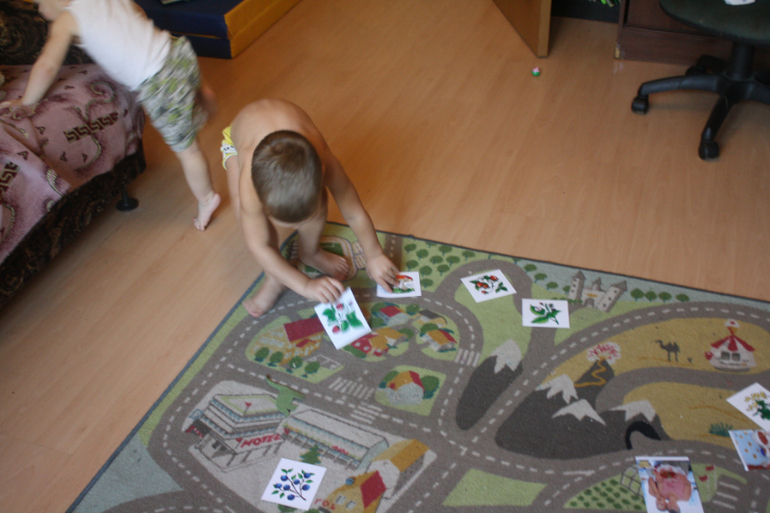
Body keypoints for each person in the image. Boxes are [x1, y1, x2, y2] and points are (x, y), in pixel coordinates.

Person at [1, 0, 220, 230]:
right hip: (175, 50)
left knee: (188, 151)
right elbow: (137, 11)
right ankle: (203, 94)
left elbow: (47, 66)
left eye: (39, 3)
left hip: (158, 81)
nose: (39, 11)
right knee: (188, 81)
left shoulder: (67, 20)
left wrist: (26, 101)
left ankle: (207, 198)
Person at [222, 99, 398, 317]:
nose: (298, 227)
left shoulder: (324, 160)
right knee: (245, 213)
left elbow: (353, 211)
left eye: (302, 221)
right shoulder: (249, 184)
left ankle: (311, 252)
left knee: (319, 201)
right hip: (237, 143)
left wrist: (374, 255)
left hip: (284, 137)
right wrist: (305, 285)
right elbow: (259, 246)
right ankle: (274, 278)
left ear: (322, 172)